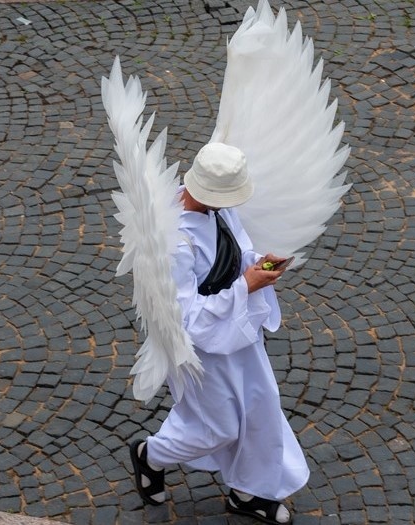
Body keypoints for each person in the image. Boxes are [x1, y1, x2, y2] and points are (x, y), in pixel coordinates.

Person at [128, 142, 309, 524]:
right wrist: (246, 285)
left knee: (261, 404)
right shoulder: (174, 241)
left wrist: (258, 266)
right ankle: (151, 454)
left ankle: (249, 491)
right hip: (205, 350)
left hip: (238, 333)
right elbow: (187, 319)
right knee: (218, 426)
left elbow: (237, 248)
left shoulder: (217, 210)